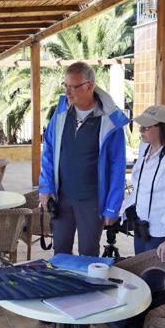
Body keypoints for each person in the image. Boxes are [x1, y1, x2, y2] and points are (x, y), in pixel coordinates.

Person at [39, 61, 128, 256]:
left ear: (90, 86)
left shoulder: (110, 121)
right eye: (66, 86)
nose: (68, 92)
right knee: (60, 251)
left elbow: (117, 167)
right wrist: (46, 187)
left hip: (92, 201)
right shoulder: (61, 111)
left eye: (73, 87)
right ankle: (62, 288)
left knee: (88, 252)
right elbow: (49, 150)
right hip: (62, 198)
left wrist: (112, 208)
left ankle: (86, 288)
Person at [123, 105, 165, 291]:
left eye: (147, 127)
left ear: (163, 129)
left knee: (152, 280)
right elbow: (139, 185)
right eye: (141, 127)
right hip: (143, 224)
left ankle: (155, 318)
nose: (141, 131)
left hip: (163, 230)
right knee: (141, 274)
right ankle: (145, 318)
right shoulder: (145, 147)